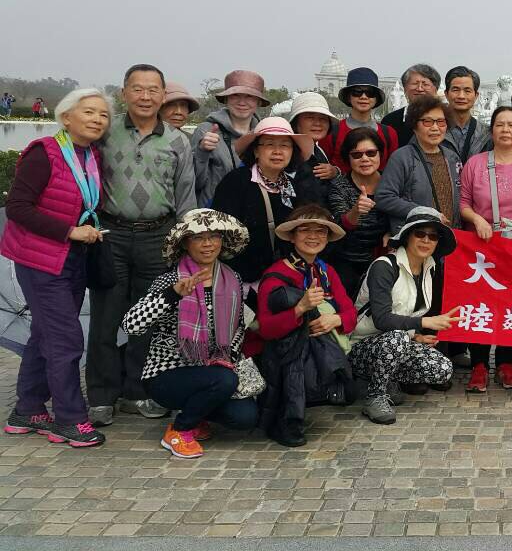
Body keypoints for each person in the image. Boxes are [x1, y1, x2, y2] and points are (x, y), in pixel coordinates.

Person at [1, 89, 112, 448]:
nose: (97, 119)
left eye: (103, 114)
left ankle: (28, 409)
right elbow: (18, 207)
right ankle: (69, 419)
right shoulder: (44, 153)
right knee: (65, 339)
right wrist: (69, 231)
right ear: (66, 117)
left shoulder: (91, 156)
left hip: (73, 258)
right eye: (89, 112)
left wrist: (86, 229)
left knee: (44, 333)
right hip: (40, 260)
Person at [89, 64, 197, 428]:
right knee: (105, 317)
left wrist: (185, 241)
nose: (145, 96)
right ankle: (101, 396)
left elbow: (186, 197)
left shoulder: (178, 141)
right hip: (111, 234)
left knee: (147, 316)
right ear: (124, 93)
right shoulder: (105, 132)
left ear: (163, 95)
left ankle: (137, 391)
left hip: (158, 235)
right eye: (137, 89)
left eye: (153, 89)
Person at [122, 209, 256, 459]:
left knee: (245, 416)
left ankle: (197, 414)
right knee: (224, 380)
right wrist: (173, 295)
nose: (208, 244)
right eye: (198, 237)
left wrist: (227, 357)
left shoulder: (232, 278)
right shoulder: (170, 280)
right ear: (185, 243)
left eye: (214, 236)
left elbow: (239, 325)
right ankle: (179, 430)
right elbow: (131, 324)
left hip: (215, 369)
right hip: (168, 373)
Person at [250, 205, 358, 447]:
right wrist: (299, 309)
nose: (313, 236)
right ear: (292, 236)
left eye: (320, 231)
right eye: (305, 230)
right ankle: (286, 420)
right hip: (281, 354)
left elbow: (351, 314)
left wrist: (335, 320)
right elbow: (266, 329)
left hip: (319, 348)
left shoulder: (325, 271)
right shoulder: (275, 276)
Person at [458, 106, 512, 392]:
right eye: (499, 125)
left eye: (511, 125)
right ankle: (479, 364)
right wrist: (476, 219)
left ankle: (509, 363)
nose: (505, 130)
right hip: (482, 245)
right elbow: (464, 203)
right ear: (491, 131)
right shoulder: (475, 164)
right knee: (481, 304)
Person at [351, 207, 461, 425]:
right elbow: (382, 319)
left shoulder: (430, 268)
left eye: (433, 236)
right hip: (361, 345)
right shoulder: (384, 266)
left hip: (397, 341)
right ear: (407, 236)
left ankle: (387, 379)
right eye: (420, 233)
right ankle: (375, 396)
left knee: (442, 369)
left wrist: (416, 336)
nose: (426, 240)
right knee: (397, 337)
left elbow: (406, 314)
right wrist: (424, 322)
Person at [210, 117, 322, 285]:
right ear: (256, 151)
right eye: (269, 144)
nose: (277, 151)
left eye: (285, 145)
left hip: (282, 278)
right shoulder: (236, 182)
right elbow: (220, 233)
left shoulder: (293, 187)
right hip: (242, 280)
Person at [375, 95, 462, 233]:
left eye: (441, 122)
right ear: (414, 126)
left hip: (449, 235)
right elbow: (384, 197)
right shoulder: (402, 157)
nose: (435, 128)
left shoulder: (452, 157)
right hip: (416, 235)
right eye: (427, 122)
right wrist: (420, 211)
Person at [326, 127, 391, 296]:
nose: (365, 159)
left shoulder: (392, 181)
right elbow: (338, 227)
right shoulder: (339, 186)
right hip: (347, 264)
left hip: (385, 262)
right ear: (348, 158)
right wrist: (355, 211)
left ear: (380, 154)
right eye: (356, 155)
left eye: (371, 153)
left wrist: (393, 231)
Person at [192, 70, 270, 205]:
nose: (242, 102)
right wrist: (202, 152)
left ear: (258, 101)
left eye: (249, 96)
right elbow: (195, 183)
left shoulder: (265, 134)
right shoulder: (206, 131)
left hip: (252, 211)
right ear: (226, 99)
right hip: (215, 212)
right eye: (235, 95)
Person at [321, 67, 399, 173]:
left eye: (370, 92)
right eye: (357, 92)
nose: (363, 97)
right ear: (348, 97)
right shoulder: (331, 132)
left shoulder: (389, 134)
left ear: (376, 98)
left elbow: (393, 171)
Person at [289, 92, 342, 199]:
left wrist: (335, 172)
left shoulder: (318, 150)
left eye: (323, 118)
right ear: (296, 122)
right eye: (310, 117)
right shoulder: (289, 154)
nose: (317, 123)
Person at [442, 66, 491, 165]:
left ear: (476, 96)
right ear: (446, 94)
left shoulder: (487, 133)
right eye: (455, 90)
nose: (461, 96)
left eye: (467, 91)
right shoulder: (432, 130)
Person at [383, 64, 441, 145]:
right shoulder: (389, 121)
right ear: (405, 88)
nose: (419, 89)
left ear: (435, 89)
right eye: (415, 83)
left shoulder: (444, 120)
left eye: (425, 84)